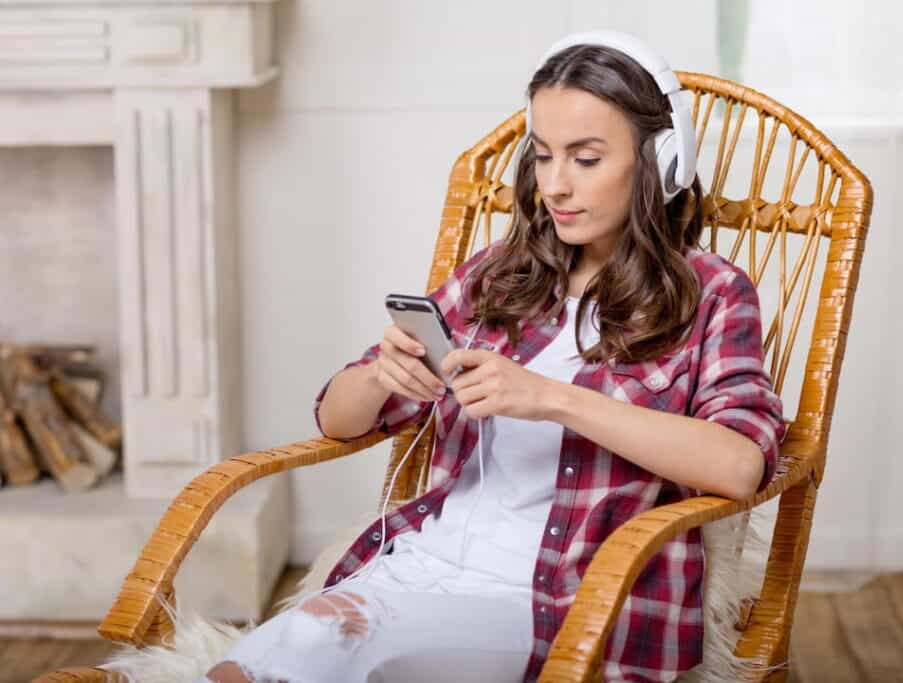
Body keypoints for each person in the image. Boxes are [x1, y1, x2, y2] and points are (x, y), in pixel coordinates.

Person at [201, 31, 785, 683]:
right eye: (543, 157)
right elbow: (335, 418)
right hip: (419, 562)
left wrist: (551, 398)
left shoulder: (711, 292)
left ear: (662, 161)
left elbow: (738, 464)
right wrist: (378, 376)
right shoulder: (500, 276)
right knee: (247, 665)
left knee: (316, 648)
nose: (557, 186)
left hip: (552, 602)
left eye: (586, 159)